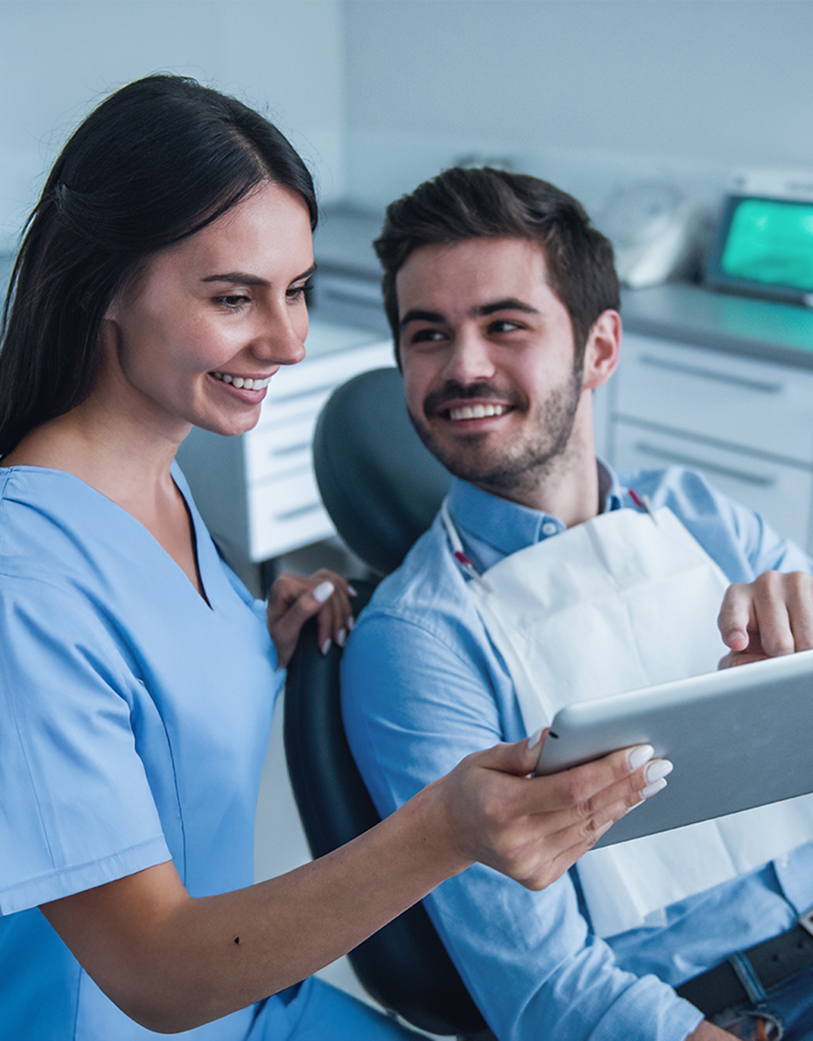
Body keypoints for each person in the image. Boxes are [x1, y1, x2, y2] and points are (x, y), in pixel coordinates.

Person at [0, 78, 663, 1041]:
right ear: (107, 287)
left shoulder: (159, 492)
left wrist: (247, 639)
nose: (287, 340)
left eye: (297, 290)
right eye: (234, 298)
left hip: (249, 1004)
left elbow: (141, 701)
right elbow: (150, 972)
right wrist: (442, 831)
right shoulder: (27, 578)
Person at [340, 166, 813, 1041]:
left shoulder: (698, 512)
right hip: (718, 1011)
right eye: (427, 334)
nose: (463, 366)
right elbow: (544, 989)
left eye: (504, 324)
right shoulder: (416, 638)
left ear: (598, 349)